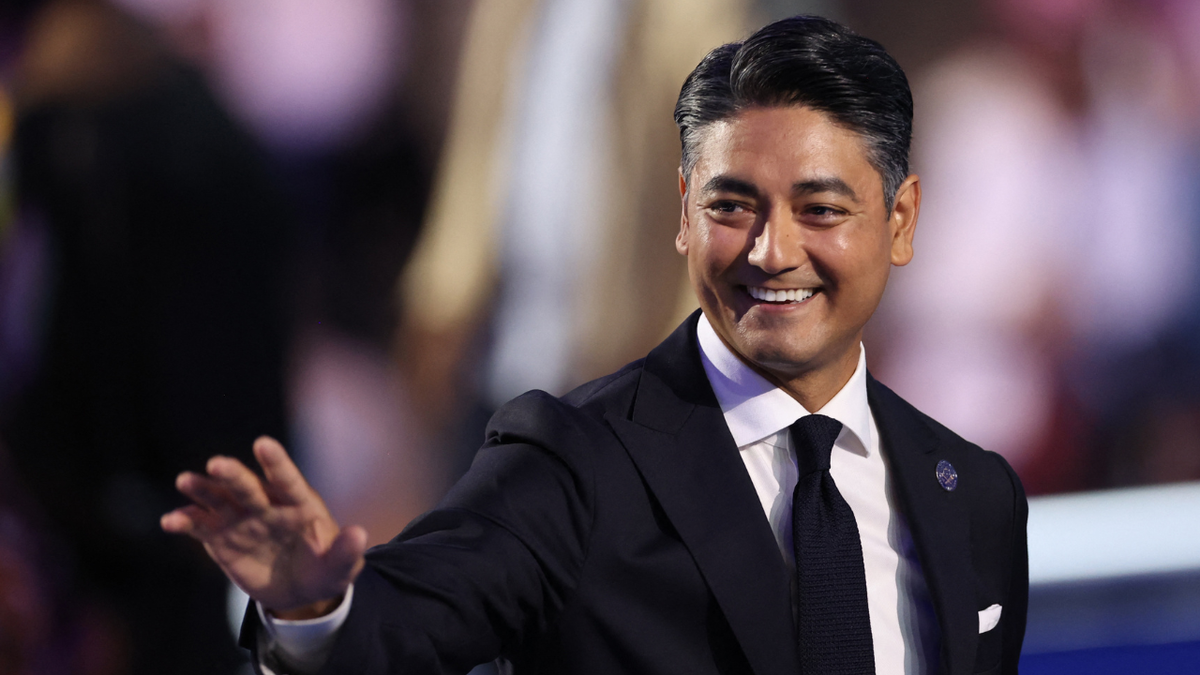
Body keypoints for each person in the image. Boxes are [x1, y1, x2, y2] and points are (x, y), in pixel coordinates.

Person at [162, 15, 1028, 675]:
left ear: (902, 219)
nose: (771, 250)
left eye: (821, 209)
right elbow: (413, 617)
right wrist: (317, 608)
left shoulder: (975, 495)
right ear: (685, 216)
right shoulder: (570, 464)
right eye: (732, 206)